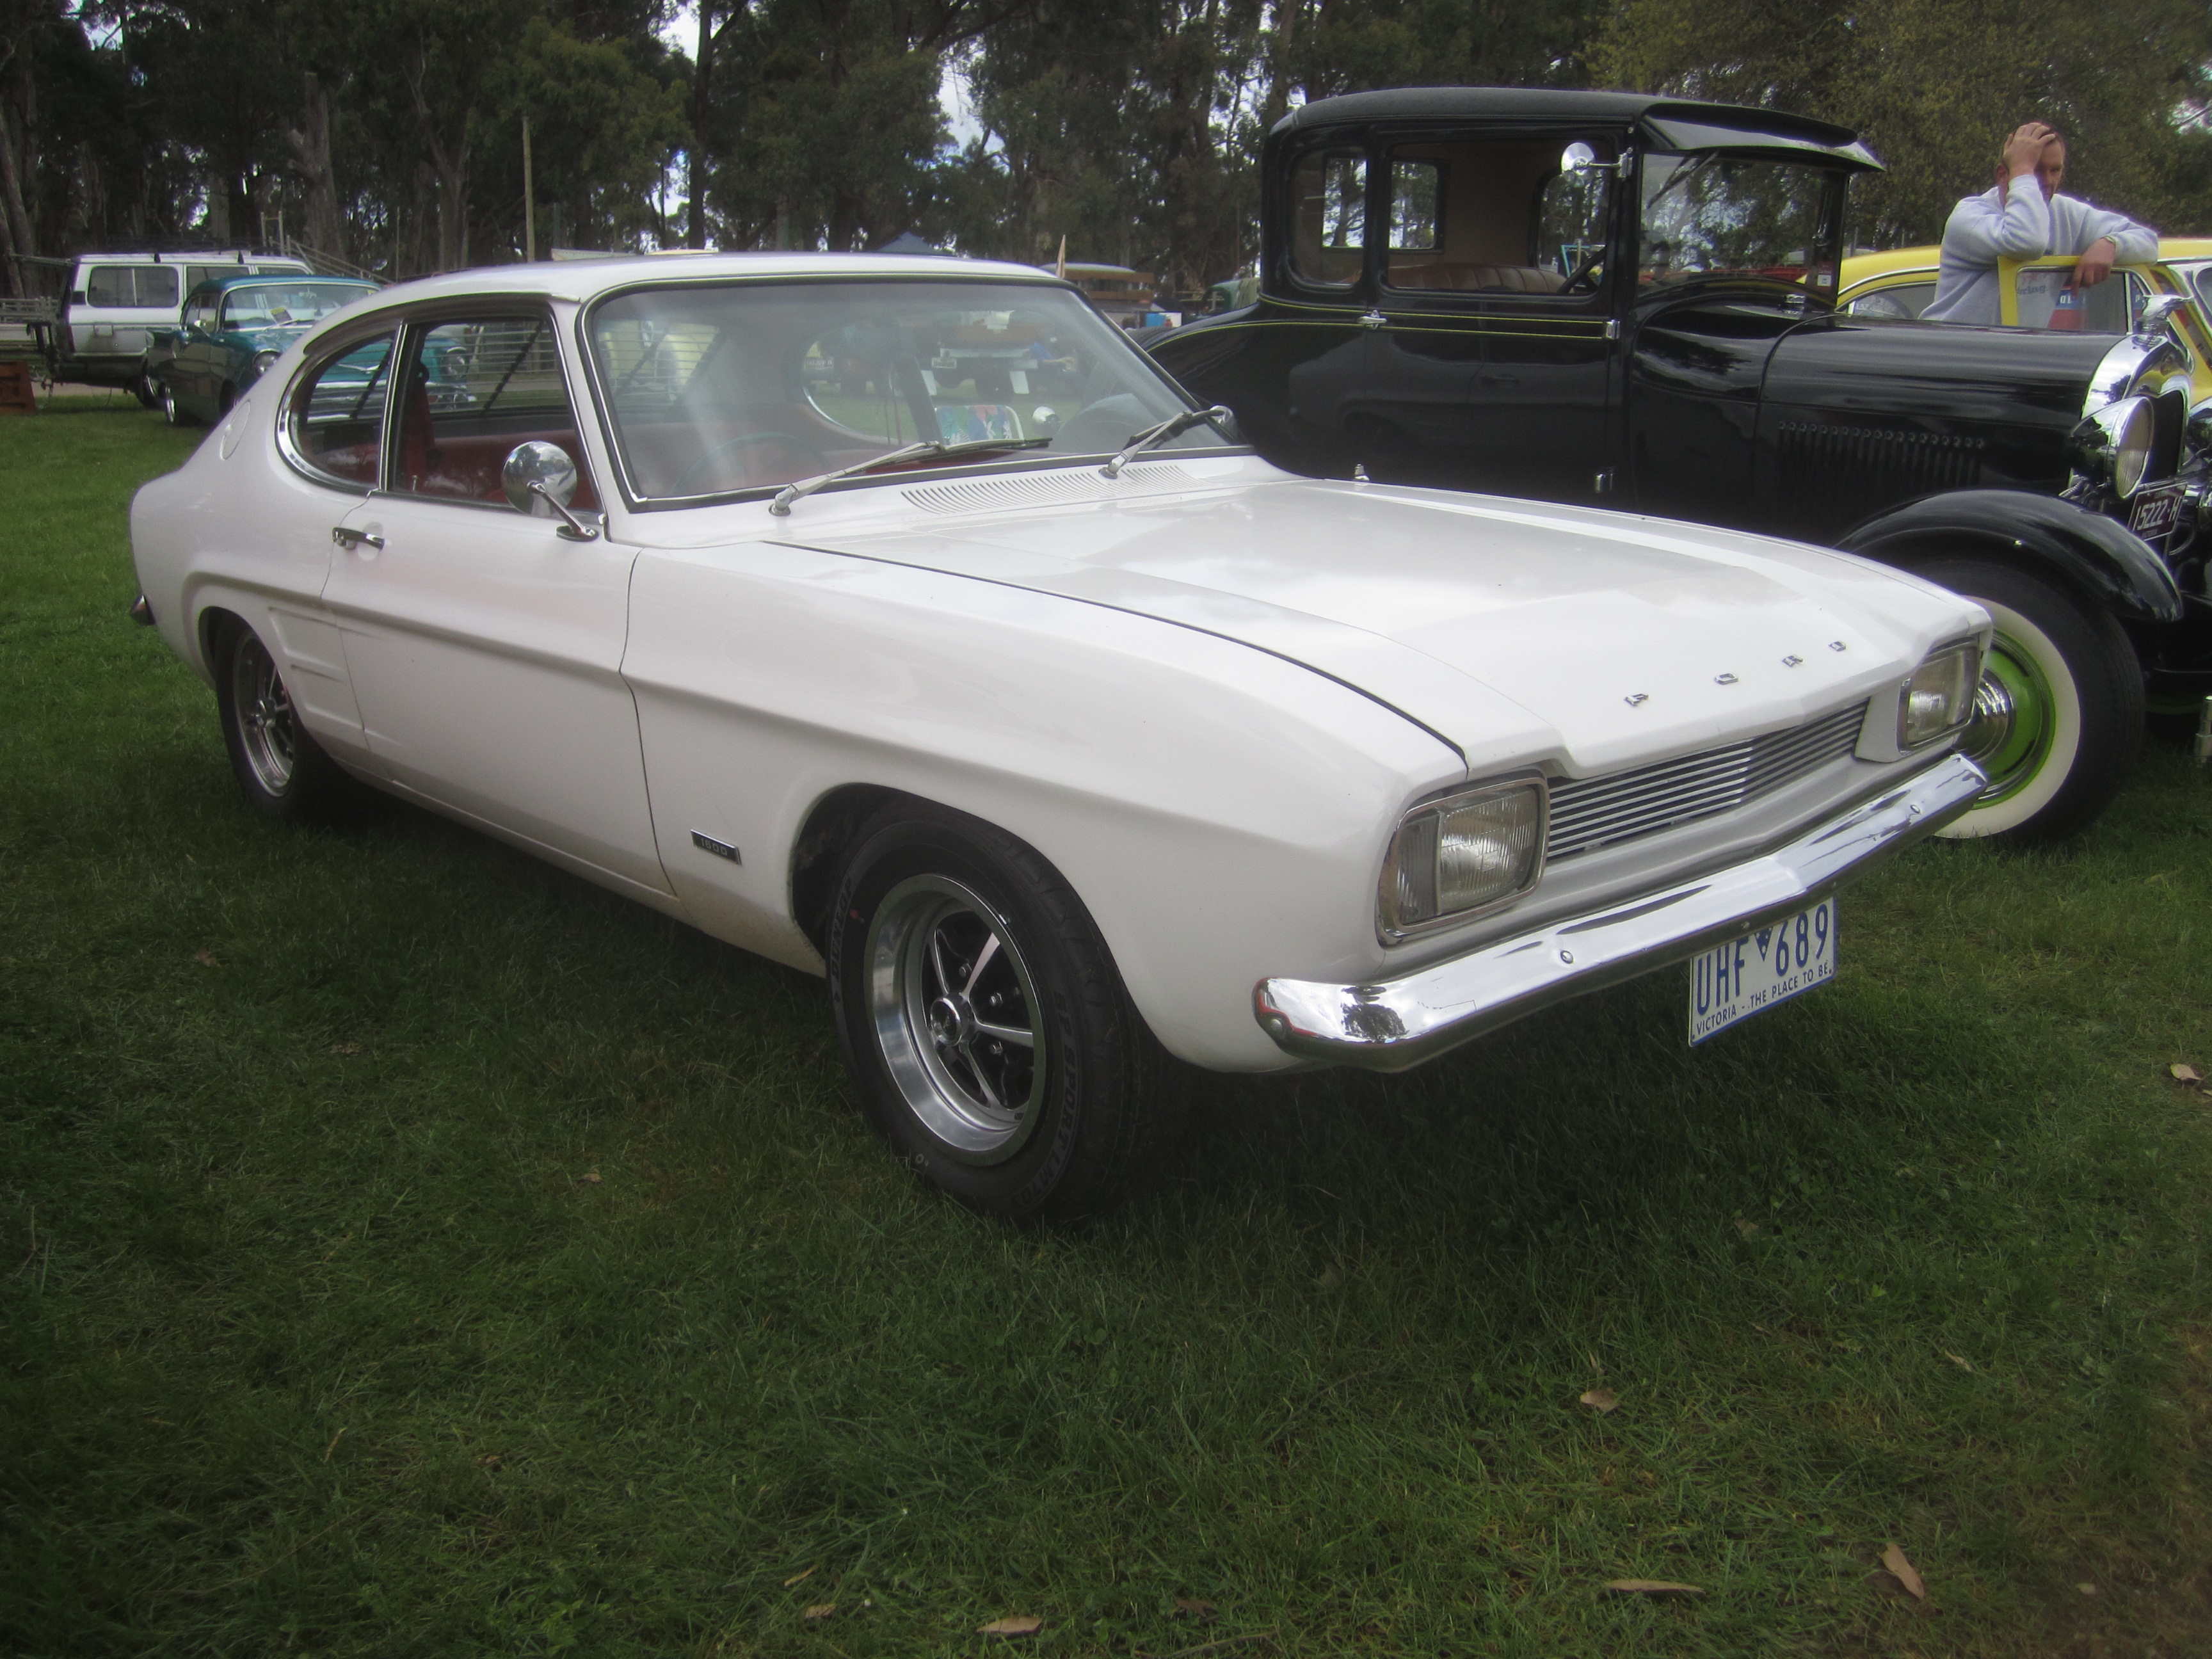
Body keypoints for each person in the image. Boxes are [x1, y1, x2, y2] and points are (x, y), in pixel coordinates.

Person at [1921, 121, 2156, 325]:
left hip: (2012, 355)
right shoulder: (1970, 216)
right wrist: (2021, 168)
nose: (2048, 181)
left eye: (2056, 170)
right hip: (1953, 354)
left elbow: (2149, 243)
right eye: (2036, 171)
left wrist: (2110, 244)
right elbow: (2028, 242)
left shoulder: (2067, 212)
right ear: (2004, 174)